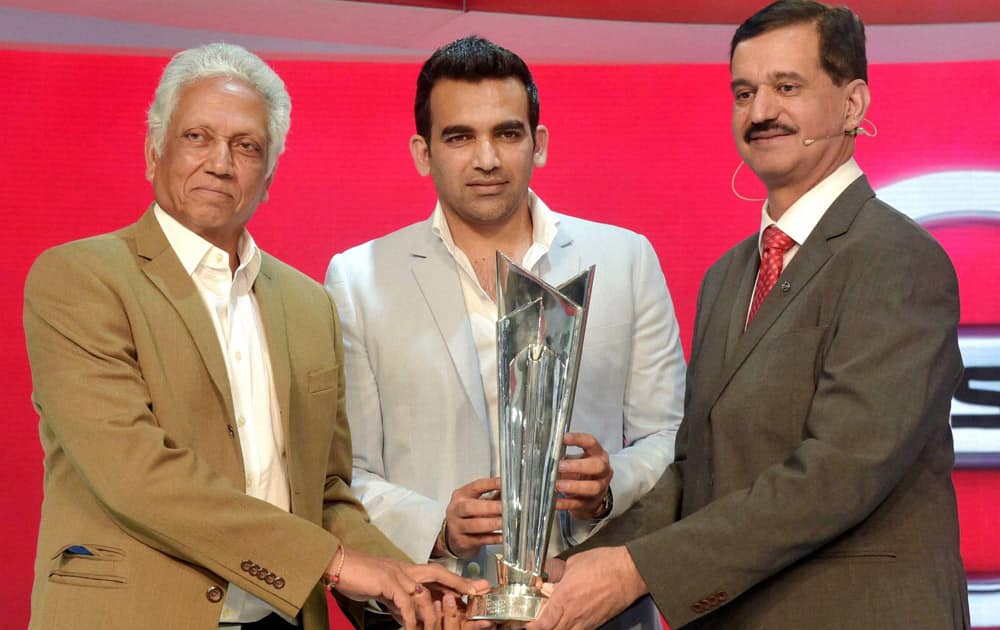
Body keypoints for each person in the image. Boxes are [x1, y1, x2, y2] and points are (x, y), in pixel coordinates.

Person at [528, 2, 971, 629]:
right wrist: (574, 565)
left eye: (787, 87)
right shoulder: (728, 277)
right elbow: (696, 468)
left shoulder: (899, 260)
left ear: (853, 105)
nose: (760, 112)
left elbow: (837, 472)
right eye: (744, 92)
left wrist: (635, 570)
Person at [23, 43, 483, 630]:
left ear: (268, 176)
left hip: (282, 619)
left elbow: (326, 494)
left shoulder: (310, 304)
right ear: (152, 151)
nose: (220, 162)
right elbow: (137, 477)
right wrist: (338, 564)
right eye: (197, 138)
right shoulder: (80, 278)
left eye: (246, 147)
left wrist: (413, 588)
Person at [325, 36, 685, 629]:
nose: (486, 158)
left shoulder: (625, 259)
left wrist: (608, 486)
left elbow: (671, 436)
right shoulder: (359, 278)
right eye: (459, 136)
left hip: (592, 611)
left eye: (508, 133)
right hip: (438, 612)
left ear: (538, 144)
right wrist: (436, 524)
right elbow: (347, 472)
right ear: (423, 152)